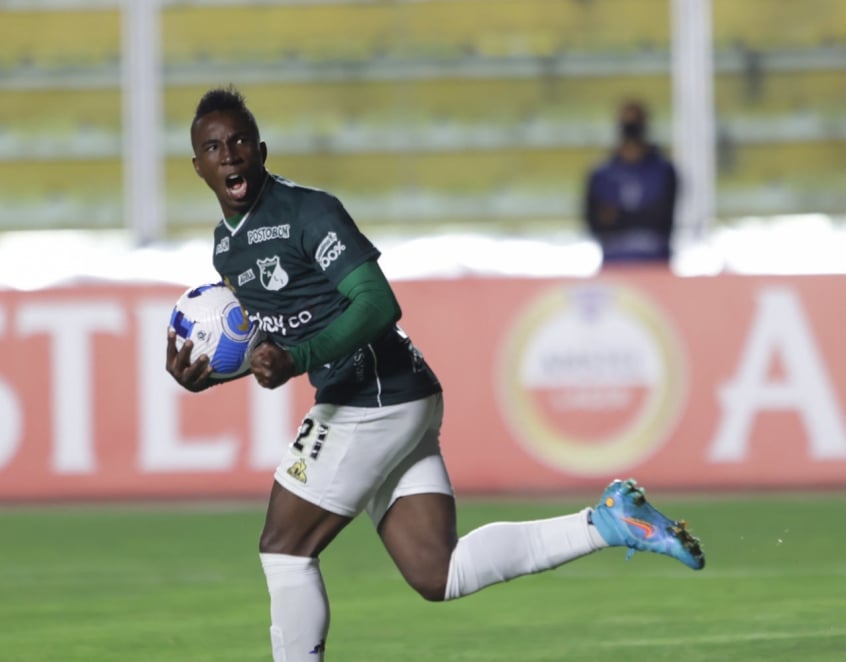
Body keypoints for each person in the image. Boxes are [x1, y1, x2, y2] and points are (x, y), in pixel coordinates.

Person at [166, 86, 705, 661]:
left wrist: (297, 360)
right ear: (196, 165)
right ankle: (608, 523)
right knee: (437, 571)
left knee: (284, 549)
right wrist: (212, 374)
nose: (230, 154)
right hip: (399, 396)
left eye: (241, 140)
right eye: (214, 146)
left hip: (371, 395)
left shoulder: (307, 212)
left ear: (262, 150)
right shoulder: (227, 250)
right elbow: (285, 331)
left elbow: (376, 303)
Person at [584, 100, 678, 265]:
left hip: (656, 261)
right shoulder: (601, 174)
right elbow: (594, 222)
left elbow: (663, 220)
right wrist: (643, 215)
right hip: (614, 262)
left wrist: (617, 216)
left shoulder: (664, 171)